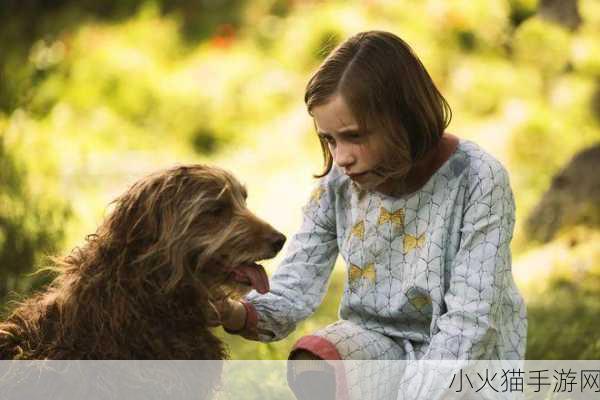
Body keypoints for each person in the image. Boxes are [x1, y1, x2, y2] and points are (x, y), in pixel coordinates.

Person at [216, 30, 527, 399]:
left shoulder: (477, 178)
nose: (341, 156)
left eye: (354, 136)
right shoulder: (340, 182)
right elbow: (297, 281)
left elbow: (470, 322)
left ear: (403, 118)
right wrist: (235, 313)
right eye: (330, 140)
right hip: (379, 343)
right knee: (315, 361)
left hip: (467, 361)